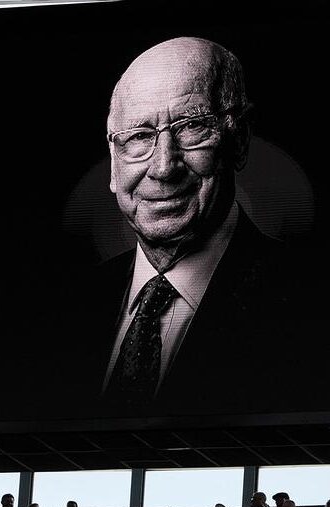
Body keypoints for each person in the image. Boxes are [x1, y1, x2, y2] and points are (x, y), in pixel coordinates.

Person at [96, 36, 287, 409]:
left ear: (239, 140)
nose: (164, 166)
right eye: (138, 137)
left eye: (191, 128)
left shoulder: (316, 306)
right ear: (114, 163)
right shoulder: (53, 313)